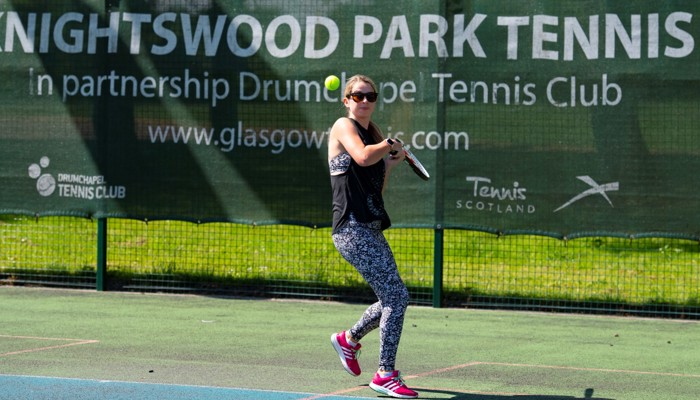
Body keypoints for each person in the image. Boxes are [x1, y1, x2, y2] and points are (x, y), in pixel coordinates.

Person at [328, 74, 419, 399]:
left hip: (369, 225)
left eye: (370, 96)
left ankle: (348, 340)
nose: (364, 101)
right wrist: (388, 145)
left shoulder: (373, 132)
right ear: (347, 100)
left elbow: (373, 187)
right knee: (397, 297)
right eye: (358, 96)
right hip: (350, 227)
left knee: (392, 297)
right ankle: (384, 374)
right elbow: (364, 156)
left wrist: (390, 164)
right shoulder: (344, 126)